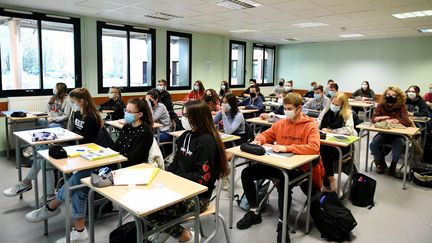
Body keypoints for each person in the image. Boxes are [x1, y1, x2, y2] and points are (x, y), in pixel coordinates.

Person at [236, 93, 324, 243]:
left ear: (299, 109)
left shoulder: (310, 125)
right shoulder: (281, 123)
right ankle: (254, 211)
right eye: (284, 108)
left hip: (300, 168)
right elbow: (266, 135)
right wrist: (259, 140)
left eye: (289, 108)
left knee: (283, 182)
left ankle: (282, 225)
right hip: (280, 164)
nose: (286, 111)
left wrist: (286, 148)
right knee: (247, 173)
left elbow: (314, 148)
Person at [24, 87, 103, 243]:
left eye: (73, 102)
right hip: (77, 150)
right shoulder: (78, 113)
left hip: (88, 155)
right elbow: (74, 133)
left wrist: (68, 141)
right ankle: (33, 188)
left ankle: (51, 205)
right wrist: (62, 138)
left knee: (77, 185)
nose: (72, 105)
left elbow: (87, 142)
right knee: (43, 153)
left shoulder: (92, 117)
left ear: (83, 101)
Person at [145, 100, 228, 243]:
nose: (183, 119)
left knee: (150, 211)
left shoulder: (206, 142)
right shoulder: (185, 136)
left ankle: (185, 236)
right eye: (182, 115)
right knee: (144, 201)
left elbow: (202, 179)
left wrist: (175, 178)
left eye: (186, 116)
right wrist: (166, 177)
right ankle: (164, 229)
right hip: (178, 189)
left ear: (198, 118)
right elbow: (175, 163)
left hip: (197, 197)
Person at [370, 86, 415, 176]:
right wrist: (384, 117)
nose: (390, 96)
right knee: (373, 145)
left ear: (398, 97)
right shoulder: (381, 105)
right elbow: (373, 119)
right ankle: (381, 163)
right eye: (388, 94)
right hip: (385, 133)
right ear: (385, 95)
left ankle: (393, 165)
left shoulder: (401, 106)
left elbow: (406, 121)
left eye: (393, 95)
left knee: (398, 145)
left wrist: (397, 120)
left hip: (398, 134)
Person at [317, 92, 357, 191]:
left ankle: (330, 179)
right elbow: (318, 122)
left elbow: (349, 129)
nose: (334, 106)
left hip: (341, 146)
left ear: (343, 105)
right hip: (325, 142)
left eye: (337, 105)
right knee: (318, 150)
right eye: (333, 103)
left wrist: (331, 131)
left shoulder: (348, 113)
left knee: (324, 152)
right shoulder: (326, 110)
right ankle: (322, 179)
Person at [111, 98, 154, 167]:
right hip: (120, 162)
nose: (126, 114)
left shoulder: (145, 132)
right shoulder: (127, 127)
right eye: (126, 110)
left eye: (130, 112)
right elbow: (116, 147)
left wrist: (115, 162)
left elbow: (134, 159)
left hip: (132, 167)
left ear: (140, 114)